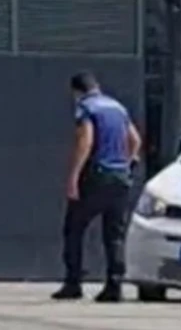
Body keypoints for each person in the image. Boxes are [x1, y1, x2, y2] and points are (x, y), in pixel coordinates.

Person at [51, 72, 142, 302]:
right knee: (114, 235)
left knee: (74, 228)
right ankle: (114, 285)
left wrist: (74, 176)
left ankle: (73, 283)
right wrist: (127, 163)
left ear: (76, 91)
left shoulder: (86, 108)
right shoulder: (118, 108)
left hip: (96, 176)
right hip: (120, 178)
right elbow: (135, 140)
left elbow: (86, 141)